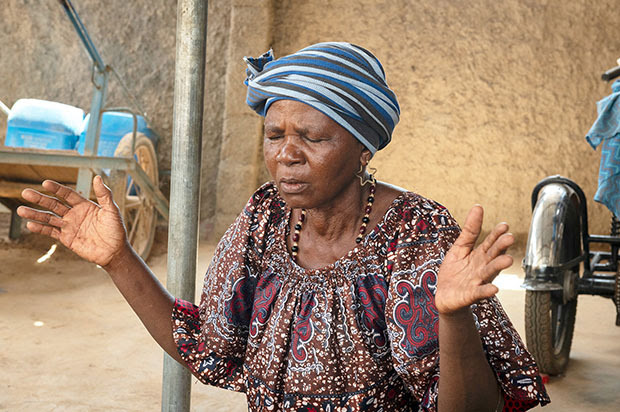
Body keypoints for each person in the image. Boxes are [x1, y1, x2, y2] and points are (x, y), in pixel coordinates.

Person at [17, 42, 550, 411]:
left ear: (363, 149)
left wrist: (452, 316)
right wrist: (118, 258)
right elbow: (205, 349)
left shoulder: (416, 234)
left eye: (313, 138)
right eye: (275, 135)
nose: (286, 156)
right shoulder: (264, 219)